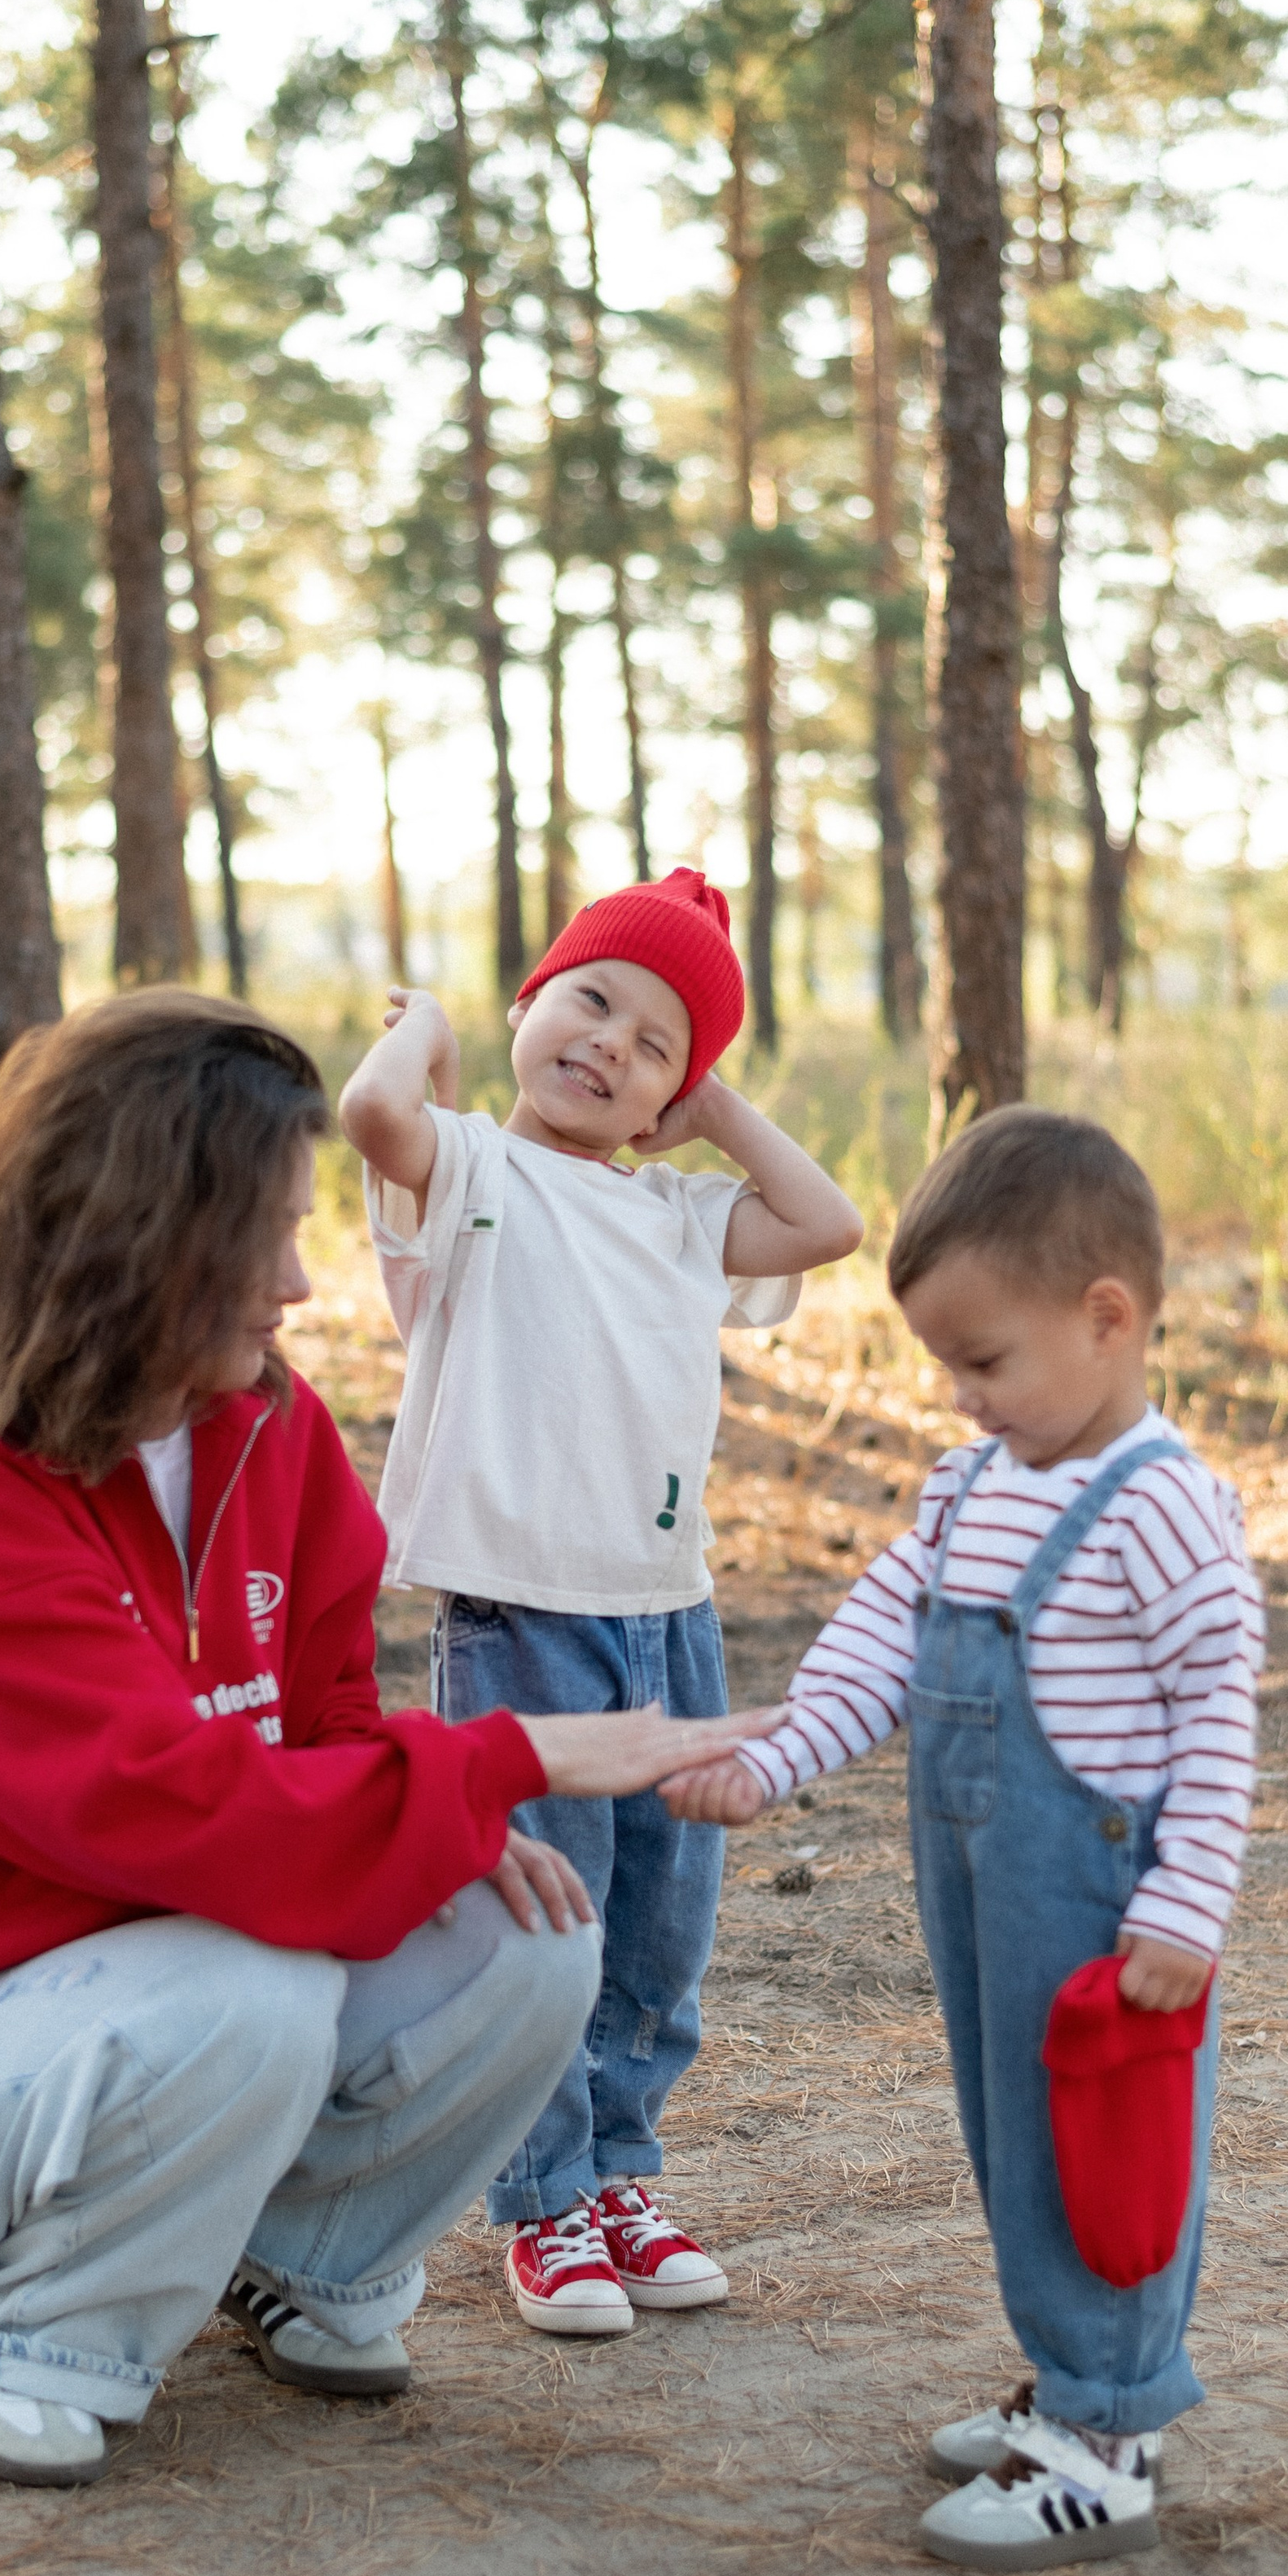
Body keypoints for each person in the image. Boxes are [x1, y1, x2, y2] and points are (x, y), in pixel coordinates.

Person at [0, 993, 777, 2490]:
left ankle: (304, 2268)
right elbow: (168, 1808)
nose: (303, 1285)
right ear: (141, 1234)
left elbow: (320, 1736)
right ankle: (40, 2322)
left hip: (181, 1997)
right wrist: (517, 1759)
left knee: (528, 1932)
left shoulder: (270, 1425)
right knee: (252, 1986)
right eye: (265, 1238)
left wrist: (456, 1823)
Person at [663, 1108, 1266, 2569]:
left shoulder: (1164, 1506)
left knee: (1099, 2146)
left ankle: (1106, 2435)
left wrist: (1188, 1904)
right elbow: (881, 1638)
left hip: (1101, 1891)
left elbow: (1219, 1706)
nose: (964, 1396)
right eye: (947, 1366)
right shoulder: (976, 1484)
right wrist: (779, 1757)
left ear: (1106, 1319)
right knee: (1013, 2129)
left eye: (984, 1362)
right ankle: (1078, 2380)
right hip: (982, 1877)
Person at [339, 871, 863, 2338]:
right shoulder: (465, 1173)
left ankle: (624, 2169)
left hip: (666, 1614)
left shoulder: (688, 1217)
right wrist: (434, 1030)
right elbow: (372, 1117)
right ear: (531, 1003)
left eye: (655, 1045)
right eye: (590, 1001)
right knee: (540, 1920)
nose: (611, 1047)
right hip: (521, 1615)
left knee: (658, 1927)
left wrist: (716, 1112)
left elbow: (826, 1226)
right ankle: (543, 2196)